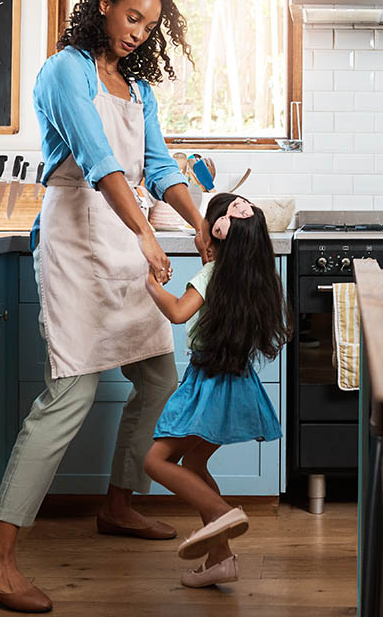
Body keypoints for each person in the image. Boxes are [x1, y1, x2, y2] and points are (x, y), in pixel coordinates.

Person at [0, 0, 209, 613]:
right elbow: (98, 158)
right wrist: (147, 233)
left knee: (158, 376)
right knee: (70, 392)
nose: (139, 33)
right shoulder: (63, 71)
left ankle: (118, 507)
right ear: (103, 7)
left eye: (150, 25)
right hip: (78, 235)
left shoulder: (138, 88)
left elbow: (157, 166)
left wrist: (202, 225)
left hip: (126, 238)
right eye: (133, 17)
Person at [143, 193, 288, 588]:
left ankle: (222, 512)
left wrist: (151, 283)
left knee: (156, 462)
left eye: (203, 222)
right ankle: (220, 558)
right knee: (193, 464)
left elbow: (177, 312)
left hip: (206, 385)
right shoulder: (251, 277)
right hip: (237, 383)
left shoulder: (209, 277)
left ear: (216, 234)